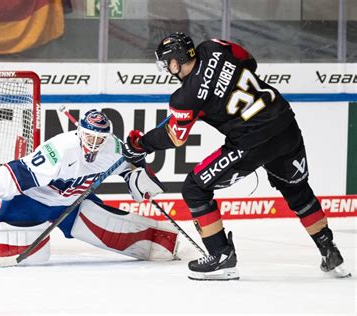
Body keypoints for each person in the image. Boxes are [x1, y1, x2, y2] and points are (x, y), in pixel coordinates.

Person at [121, 32, 351, 280]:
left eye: (167, 63)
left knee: (194, 188)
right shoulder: (213, 47)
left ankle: (221, 258)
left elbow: (175, 137)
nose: (167, 68)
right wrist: (224, 86)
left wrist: (141, 144)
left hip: (252, 142)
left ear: (175, 61)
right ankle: (329, 250)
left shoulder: (185, 97)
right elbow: (249, 61)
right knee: (296, 188)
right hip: (285, 123)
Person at [0, 109, 179, 268]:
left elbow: (129, 167)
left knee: (115, 229)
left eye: (100, 138)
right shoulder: (61, 149)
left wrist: (137, 174)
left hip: (74, 203)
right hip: (33, 202)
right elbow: (21, 172)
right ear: (79, 131)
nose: (95, 143)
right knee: (26, 252)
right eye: (90, 136)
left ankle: (170, 244)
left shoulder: (114, 148)